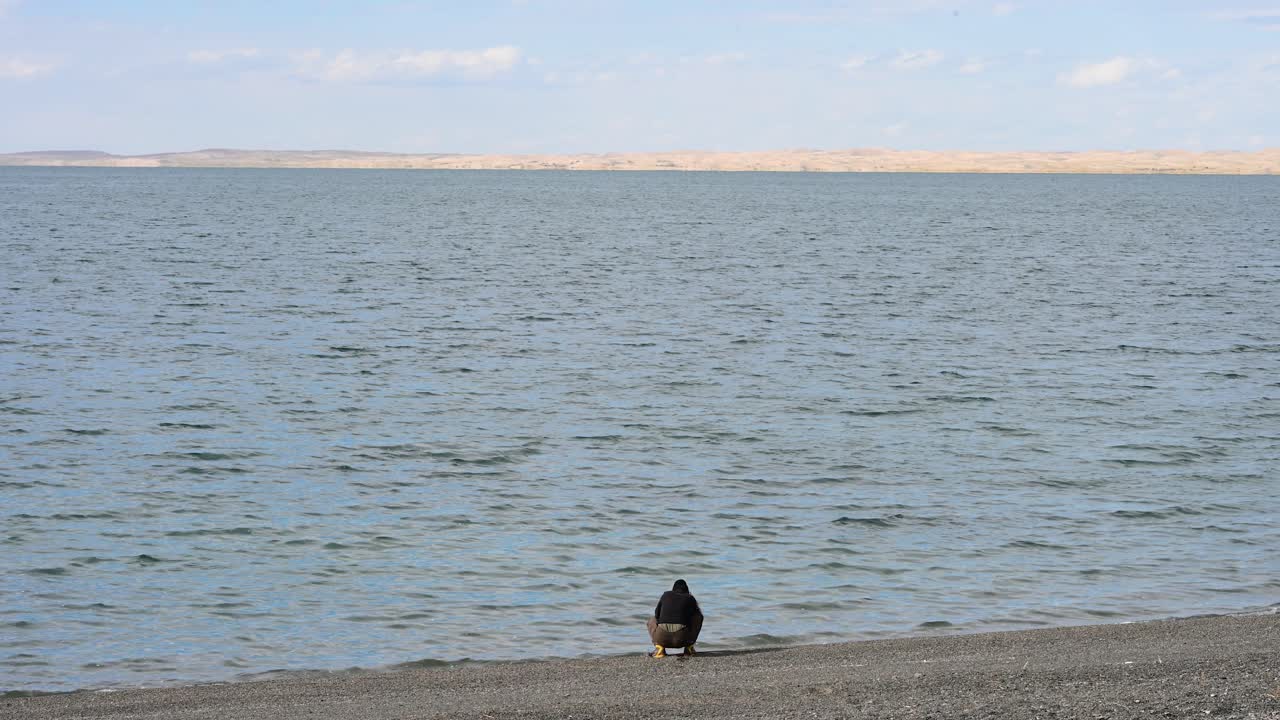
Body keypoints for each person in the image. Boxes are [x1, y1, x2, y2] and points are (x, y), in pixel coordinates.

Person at [646, 578, 703, 658]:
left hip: (661, 638)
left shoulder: (665, 595)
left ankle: (659, 648)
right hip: (683, 639)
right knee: (698, 617)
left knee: (651, 620)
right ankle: (688, 648)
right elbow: (697, 615)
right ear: (687, 590)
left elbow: (657, 614)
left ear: (673, 589)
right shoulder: (690, 598)